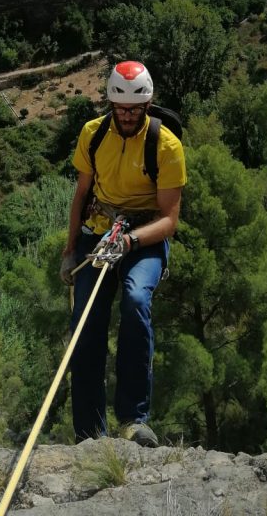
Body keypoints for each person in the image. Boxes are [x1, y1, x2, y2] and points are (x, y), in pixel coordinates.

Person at [60, 60, 186, 447]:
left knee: (134, 299)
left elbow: (168, 221)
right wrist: (69, 251)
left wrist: (130, 241)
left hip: (143, 237)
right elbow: (82, 193)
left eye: (135, 109)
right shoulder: (93, 134)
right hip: (98, 231)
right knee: (86, 324)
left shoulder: (166, 146)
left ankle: (133, 419)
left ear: (147, 106)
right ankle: (89, 434)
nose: (128, 116)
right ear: (111, 104)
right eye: (121, 109)